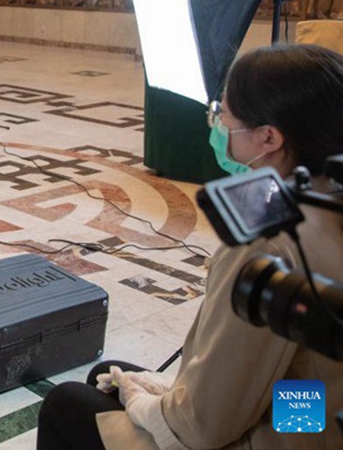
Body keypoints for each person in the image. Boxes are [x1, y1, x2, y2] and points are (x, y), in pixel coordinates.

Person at [37, 43, 343, 449]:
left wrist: (144, 402)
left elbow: (204, 426)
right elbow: (310, 374)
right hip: (318, 415)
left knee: (65, 403)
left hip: (290, 438)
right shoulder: (329, 197)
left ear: (268, 137)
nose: (217, 125)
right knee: (105, 376)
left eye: (224, 115)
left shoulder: (267, 242)